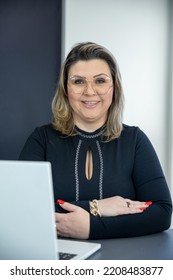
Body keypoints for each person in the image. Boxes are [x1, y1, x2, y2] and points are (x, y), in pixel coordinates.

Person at [19, 42, 172, 240]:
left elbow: (161, 213)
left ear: (114, 87)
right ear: (66, 88)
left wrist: (92, 228)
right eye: (78, 81)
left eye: (100, 81)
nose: (90, 91)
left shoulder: (135, 140)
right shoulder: (41, 139)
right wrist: (98, 207)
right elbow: (23, 209)